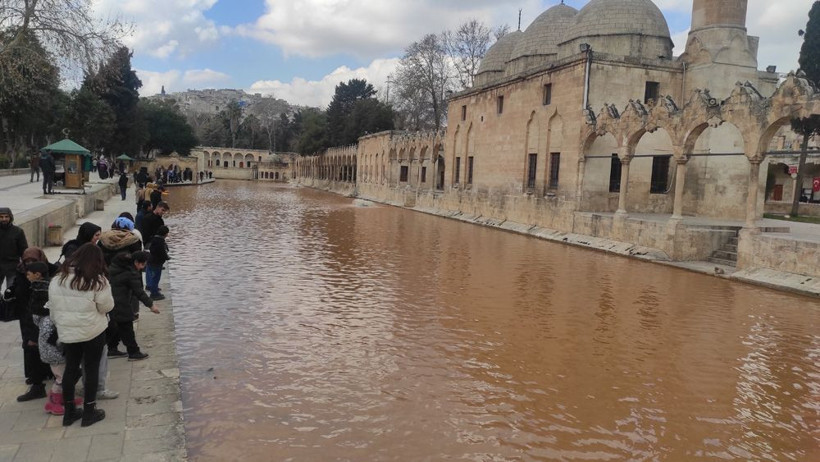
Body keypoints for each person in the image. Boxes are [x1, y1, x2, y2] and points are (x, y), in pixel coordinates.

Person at [49, 243, 114, 427]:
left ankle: (69, 412)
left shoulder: (58, 279)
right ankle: (89, 411)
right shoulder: (97, 280)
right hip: (92, 330)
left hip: (68, 332)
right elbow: (106, 307)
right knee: (91, 369)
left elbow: (53, 308)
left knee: (70, 368)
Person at [4, 248, 54, 401]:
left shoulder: (48, 272)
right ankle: (35, 379)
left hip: (42, 318)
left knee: (41, 346)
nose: (30, 265)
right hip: (26, 317)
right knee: (30, 347)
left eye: (33, 262)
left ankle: (44, 378)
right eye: (27, 262)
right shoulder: (21, 273)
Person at [108, 251, 159, 360]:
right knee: (127, 329)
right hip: (121, 303)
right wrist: (151, 305)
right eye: (142, 264)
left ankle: (111, 348)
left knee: (118, 326)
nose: (142, 268)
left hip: (112, 301)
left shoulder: (115, 268)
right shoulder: (130, 274)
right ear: (136, 262)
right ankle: (133, 352)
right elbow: (139, 292)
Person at [1, 207, 28, 290]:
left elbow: (24, 250)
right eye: (1, 217)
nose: (4, 219)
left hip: (13, 266)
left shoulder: (18, 231)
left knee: (11, 290)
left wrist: (25, 264)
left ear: (10, 217)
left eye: (6, 217)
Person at [146, 226, 170, 300]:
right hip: (156, 262)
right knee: (155, 278)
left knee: (151, 276)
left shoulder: (154, 239)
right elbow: (162, 253)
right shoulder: (160, 242)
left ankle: (151, 288)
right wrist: (167, 257)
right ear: (165, 234)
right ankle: (154, 294)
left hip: (151, 260)